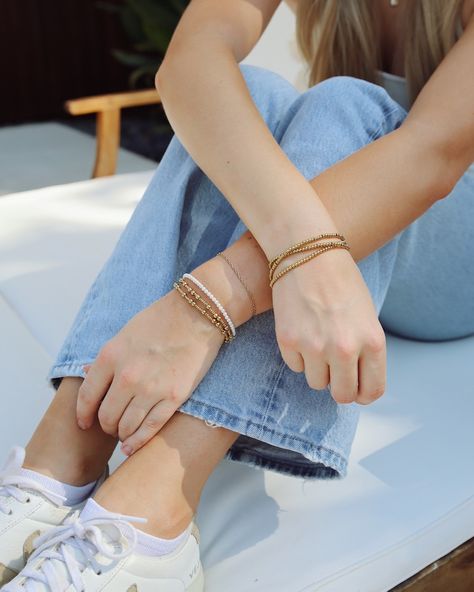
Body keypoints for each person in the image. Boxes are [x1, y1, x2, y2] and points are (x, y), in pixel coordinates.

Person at [1, 0, 473, 590]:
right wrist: (306, 253)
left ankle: (155, 510)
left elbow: (436, 152)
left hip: (454, 261)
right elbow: (188, 63)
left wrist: (205, 304)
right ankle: (59, 463)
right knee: (240, 92)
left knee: (344, 101)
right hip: (338, 249)